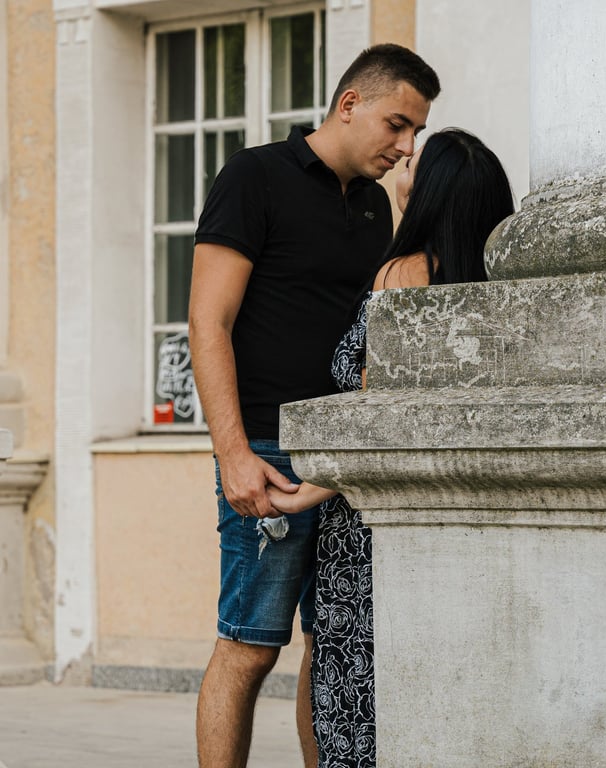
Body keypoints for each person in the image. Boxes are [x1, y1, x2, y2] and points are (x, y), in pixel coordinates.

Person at [188, 44, 440, 768]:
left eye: (417, 132)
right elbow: (208, 321)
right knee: (248, 646)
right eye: (397, 124)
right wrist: (234, 454)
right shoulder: (255, 175)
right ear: (350, 104)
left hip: (344, 462)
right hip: (267, 454)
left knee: (327, 645)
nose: (406, 146)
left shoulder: (373, 205)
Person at [269, 128, 516, 767]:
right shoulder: (491, 287)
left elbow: (379, 420)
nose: (401, 163)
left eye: (414, 164)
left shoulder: (402, 275)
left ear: (429, 193)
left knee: (357, 692)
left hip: (368, 521)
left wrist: (307, 491)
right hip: (457, 516)